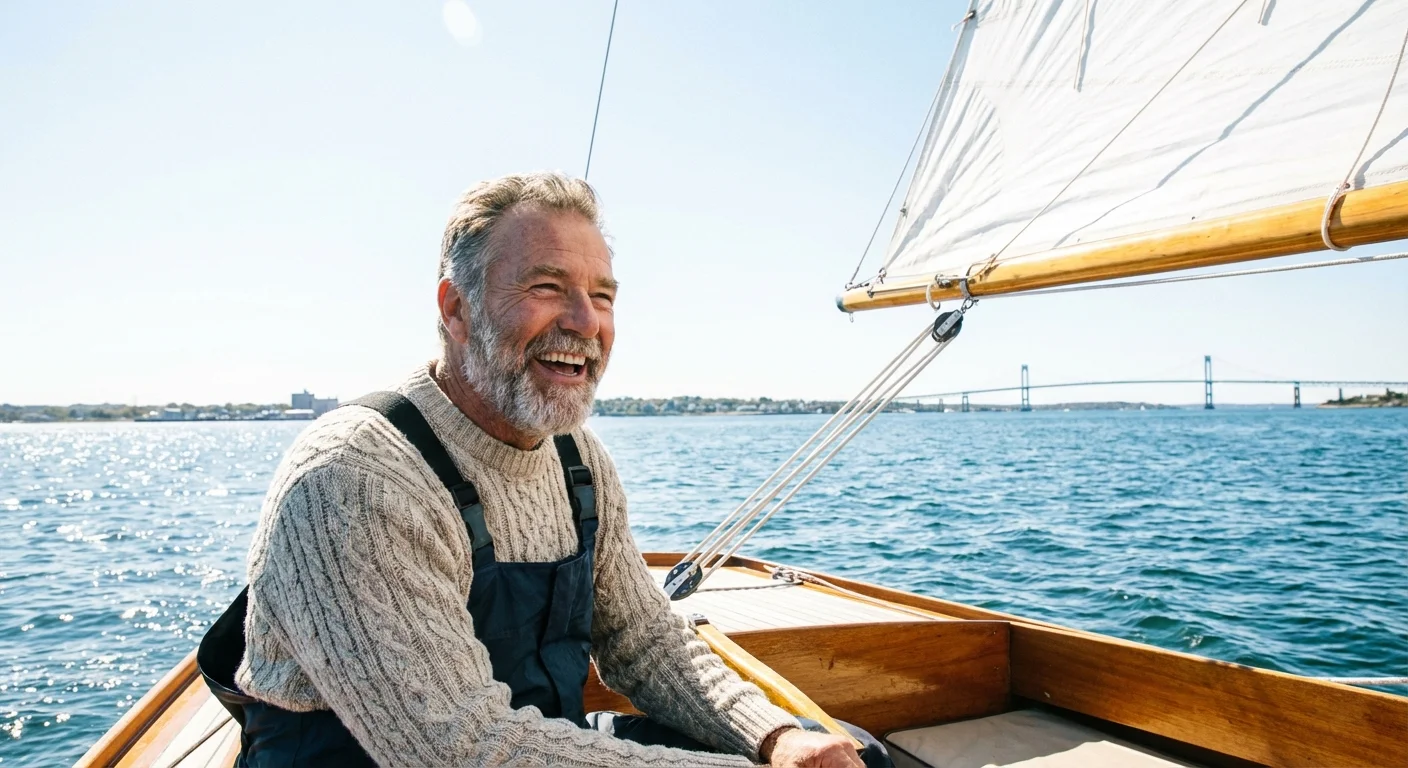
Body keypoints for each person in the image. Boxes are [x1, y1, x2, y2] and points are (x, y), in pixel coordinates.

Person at [215, 172, 889, 767]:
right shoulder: (355, 478)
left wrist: (774, 737)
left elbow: (644, 639)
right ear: (456, 308)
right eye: (547, 287)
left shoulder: (577, 460)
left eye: (603, 295)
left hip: (534, 743)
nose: (584, 321)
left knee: (853, 752)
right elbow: (457, 749)